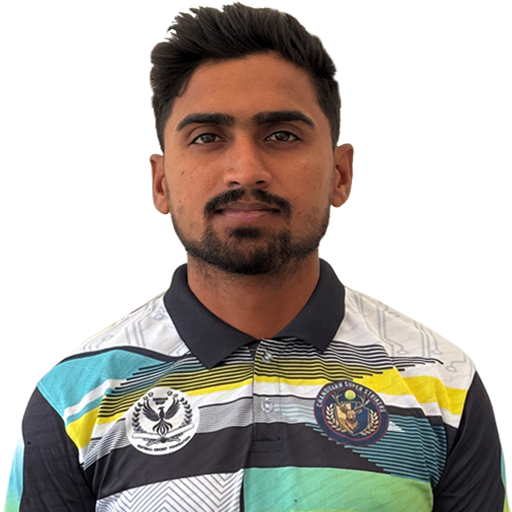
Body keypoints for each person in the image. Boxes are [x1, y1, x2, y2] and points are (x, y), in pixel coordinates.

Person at [6, 4, 509, 512]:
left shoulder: (440, 385)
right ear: (160, 184)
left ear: (341, 175)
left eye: (282, 135)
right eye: (207, 138)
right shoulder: (78, 399)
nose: (246, 171)